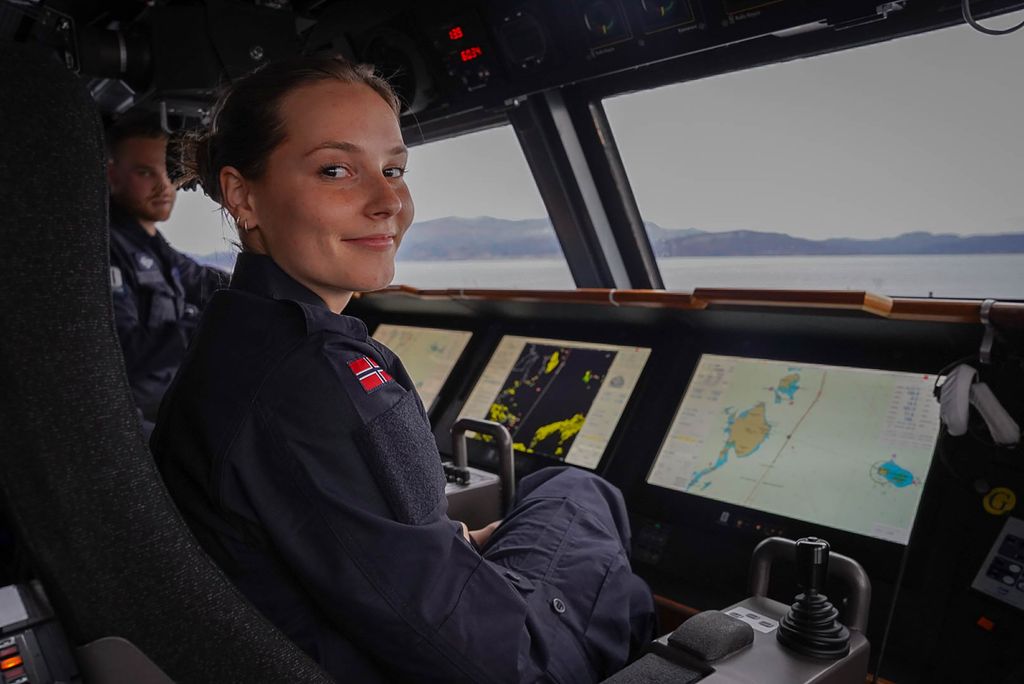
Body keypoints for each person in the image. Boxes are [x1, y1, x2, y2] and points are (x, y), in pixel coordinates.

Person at [150, 54, 656, 683]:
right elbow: (503, 667)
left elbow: (323, 542)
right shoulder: (313, 378)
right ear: (242, 195)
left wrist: (456, 546)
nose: (388, 200)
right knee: (579, 490)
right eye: (336, 170)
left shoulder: (237, 338)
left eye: (393, 169)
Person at [106, 115, 229, 426]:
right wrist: (201, 325)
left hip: (172, 397)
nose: (163, 185)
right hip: (138, 415)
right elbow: (124, 354)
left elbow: (206, 281)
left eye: (167, 172)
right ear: (112, 176)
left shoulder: (155, 246)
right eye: (145, 172)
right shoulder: (106, 249)